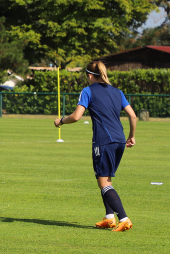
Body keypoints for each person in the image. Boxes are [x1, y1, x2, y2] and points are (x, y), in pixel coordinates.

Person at [54, 61, 137, 232]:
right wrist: (131, 136)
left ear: (90, 76)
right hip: (120, 140)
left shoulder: (88, 91)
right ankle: (109, 218)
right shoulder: (117, 91)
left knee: (103, 183)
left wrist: (61, 121)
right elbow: (133, 116)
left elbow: (77, 116)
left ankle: (124, 218)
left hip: (103, 141)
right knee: (105, 179)